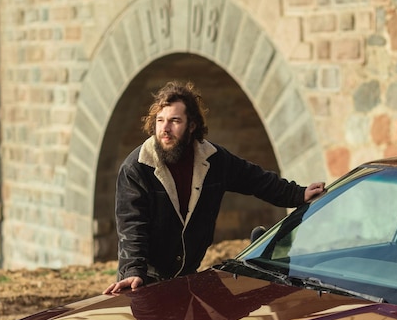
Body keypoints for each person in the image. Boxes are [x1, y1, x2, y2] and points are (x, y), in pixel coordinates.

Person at [103, 81, 325, 294]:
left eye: (175, 121)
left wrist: (297, 194)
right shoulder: (137, 168)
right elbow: (132, 227)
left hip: (187, 277)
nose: (165, 128)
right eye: (160, 120)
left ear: (192, 125)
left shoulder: (214, 160)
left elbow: (255, 179)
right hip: (144, 281)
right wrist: (133, 270)